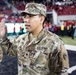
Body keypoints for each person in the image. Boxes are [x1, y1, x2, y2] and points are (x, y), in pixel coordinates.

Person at [0, 3, 69, 75]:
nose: (26, 20)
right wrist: (2, 36)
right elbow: (10, 51)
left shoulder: (54, 42)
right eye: (25, 16)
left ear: (41, 19)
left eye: (30, 16)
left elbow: (62, 72)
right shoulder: (21, 39)